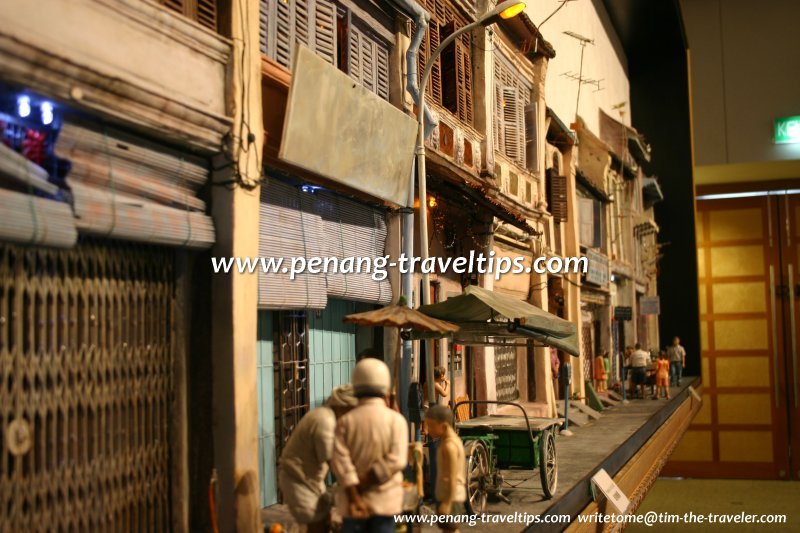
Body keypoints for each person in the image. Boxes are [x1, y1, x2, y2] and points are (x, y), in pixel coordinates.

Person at [331, 358, 409, 533]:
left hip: (352, 505)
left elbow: (340, 464)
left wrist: (355, 492)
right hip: (385, 503)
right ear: (385, 388)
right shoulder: (396, 421)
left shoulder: (345, 422)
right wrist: (367, 480)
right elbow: (397, 460)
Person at [277, 385, 358, 533]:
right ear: (343, 406)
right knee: (315, 525)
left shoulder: (331, 418)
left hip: (312, 480)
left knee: (324, 521)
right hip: (297, 480)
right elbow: (334, 462)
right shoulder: (325, 421)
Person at [425, 405, 466, 532]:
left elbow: (452, 476)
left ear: (443, 426)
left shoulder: (449, 446)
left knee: (451, 530)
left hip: (451, 497)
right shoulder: (450, 441)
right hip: (447, 495)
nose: (427, 430)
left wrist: (447, 503)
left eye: (431, 426)